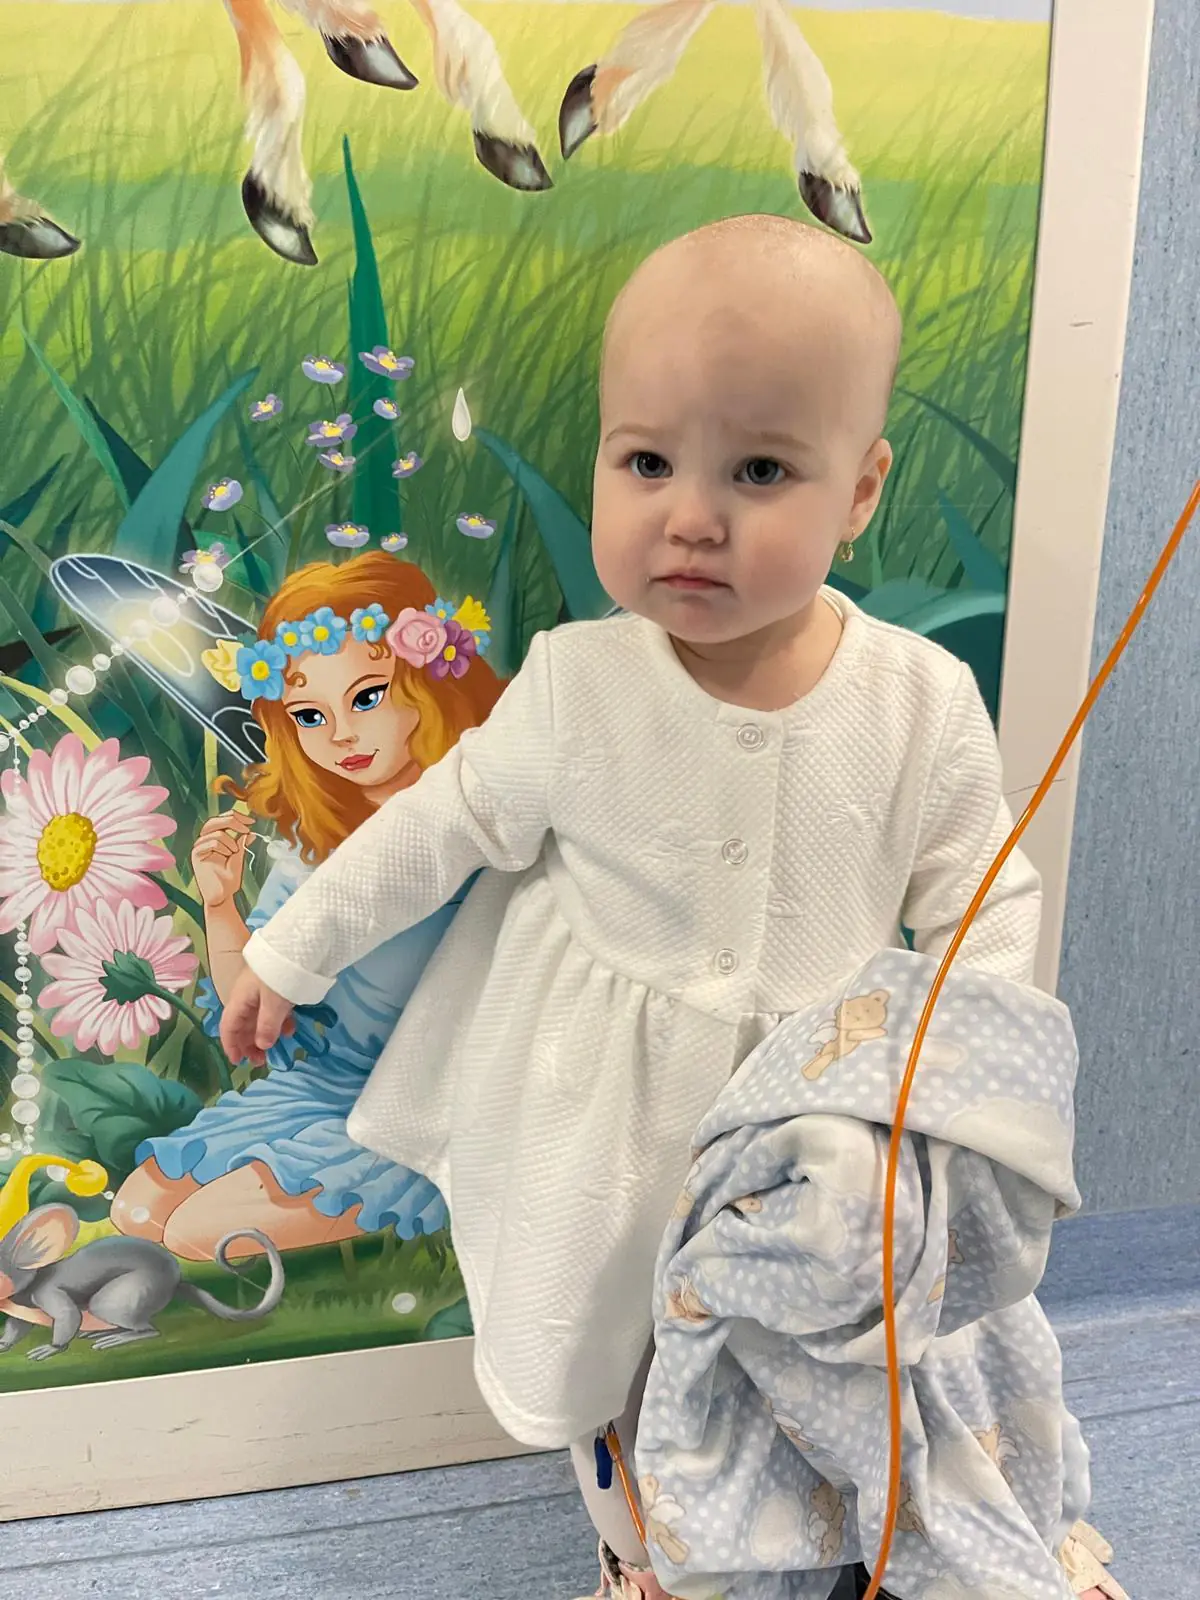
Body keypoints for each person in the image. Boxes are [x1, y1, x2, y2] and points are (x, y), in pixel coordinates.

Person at [217, 217, 1114, 1599]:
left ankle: (877, 1527)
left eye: (759, 471)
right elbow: (440, 828)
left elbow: (984, 895)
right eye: (646, 463)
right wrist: (291, 950)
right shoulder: (580, 685)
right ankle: (638, 1549)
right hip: (601, 1115)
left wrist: (951, 1091)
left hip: (807, 1123)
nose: (691, 516)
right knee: (607, 1351)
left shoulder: (917, 701)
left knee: (838, 1344)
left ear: (861, 490)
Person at [111, 552, 502, 1262]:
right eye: (311, 715)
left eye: (367, 697)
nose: (341, 734)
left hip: (422, 1102)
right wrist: (221, 904)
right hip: (320, 1087)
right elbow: (256, 1016)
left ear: (426, 681)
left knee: (199, 1233)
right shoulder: (313, 843)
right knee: (139, 1208)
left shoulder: (483, 823)